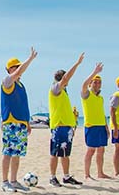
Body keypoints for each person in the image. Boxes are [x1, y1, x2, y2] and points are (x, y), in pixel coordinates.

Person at [0, 48, 37, 193]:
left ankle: (14, 181)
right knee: (8, 152)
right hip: (11, 122)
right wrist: (30, 59)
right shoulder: (7, 81)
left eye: (18, 66)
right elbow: (18, 72)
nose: (18, 69)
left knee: (17, 154)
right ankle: (5, 182)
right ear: (9, 69)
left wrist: (27, 122)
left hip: (21, 123)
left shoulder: (21, 85)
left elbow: (23, 104)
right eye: (15, 67)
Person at [47, 53, 85, 187]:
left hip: (67, 126)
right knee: (55, 153)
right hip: (59, 126)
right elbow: (66, 78)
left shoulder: (64, 92)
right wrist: (77, 64)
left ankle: (66, 176)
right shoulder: (55, 88)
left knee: (65, 153)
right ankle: (52, 177)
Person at [80, 62, 111, 180]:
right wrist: (95, 72)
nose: (97, 84)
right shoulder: (87, 95)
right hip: (91, 126)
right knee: (91, 150)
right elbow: (84, 85)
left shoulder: (100, 98)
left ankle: (100, 173)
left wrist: (106, 127)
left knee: (101, 150)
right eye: (95, 82)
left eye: (99, 82)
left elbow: (102, 114)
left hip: (101, 126)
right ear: (91, 84)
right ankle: (87, 174)